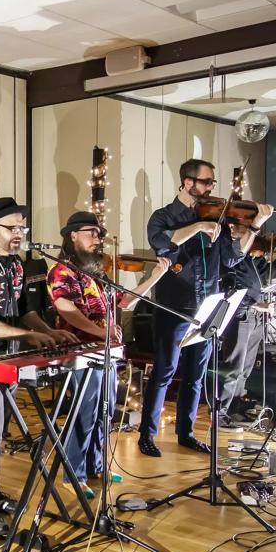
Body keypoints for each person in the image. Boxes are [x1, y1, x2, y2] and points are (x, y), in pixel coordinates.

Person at [0, 197, 77, 537]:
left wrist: (48, 331)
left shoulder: (16, 266)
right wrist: (28, 336)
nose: (19, 234)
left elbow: (25, 311)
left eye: (22, 228)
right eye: (13, 228)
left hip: (9, 362)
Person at [137, 158, 271, 457]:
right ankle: (147, 435)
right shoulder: (164, 216)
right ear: (187, 183)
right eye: (207, 182)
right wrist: (198, 226)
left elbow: (233, 258)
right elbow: (163, 244)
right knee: (165, 371)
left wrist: (255, 228)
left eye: (212, 182)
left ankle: (185, 433)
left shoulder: (218, 220)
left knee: (196, 375)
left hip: (207, 307)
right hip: (174, 306)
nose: (212, 188)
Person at [48, 211, 168, 494]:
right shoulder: (61, 271)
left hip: (108, 352)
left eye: (99, 234)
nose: (97, 239)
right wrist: (100, 331)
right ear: (72, 235)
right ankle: (72, 475)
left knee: (105, 413)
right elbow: (66, 308)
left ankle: (96, 466)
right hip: (82, 353)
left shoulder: (96, 274)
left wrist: (155, 277)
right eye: (91, 232)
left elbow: (124, 301)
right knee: (84, 414)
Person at [216, 227, 276, 427]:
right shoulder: (232, 257)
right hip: (242, 315)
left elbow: (268, 274)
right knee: (234, 366)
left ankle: (235, 405)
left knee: (246, 367)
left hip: (257, 317)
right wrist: (256, 305)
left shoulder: (254, 258)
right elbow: (230, 289)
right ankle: (220, 411)